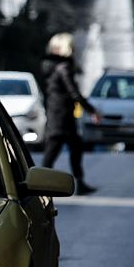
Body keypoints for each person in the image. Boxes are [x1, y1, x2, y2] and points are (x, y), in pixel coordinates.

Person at [40, 33, 99, 195]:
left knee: (70, 149)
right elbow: (74, 93)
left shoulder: (50, 66)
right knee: (53, 153)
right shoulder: (63, 68)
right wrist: (91, 110)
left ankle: (77, 183)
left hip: (57, 115)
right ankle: (38, 188)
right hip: (62, 117)